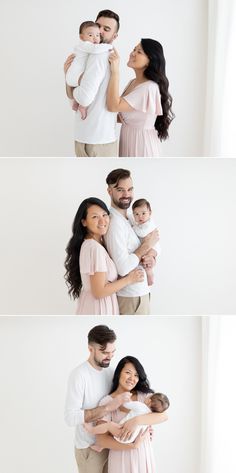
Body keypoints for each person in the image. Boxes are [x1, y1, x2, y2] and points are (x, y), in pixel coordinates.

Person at [64, 325, 132, 473]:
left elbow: (126, 405)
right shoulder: (79, 375)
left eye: (113, 352)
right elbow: (70, 418)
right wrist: (107, 408)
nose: (110, 356)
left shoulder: (112, 372)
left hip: (111, 445)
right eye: (105, 352)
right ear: (90, 349)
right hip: (89, 448)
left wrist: (142, 428)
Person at [64, 197, 144, 315]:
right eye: (95, 217)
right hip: (99, 308)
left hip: (96, 306)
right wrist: (129, 279)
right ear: (84, 222)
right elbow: (99, 291)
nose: (102, 221)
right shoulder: (94, 248)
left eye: (104, 215)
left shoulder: (95, 244)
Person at [93, 356, 168, 473]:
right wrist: (131, 446)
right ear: (118, 374)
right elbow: (101, 440)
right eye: (128, 372)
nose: (132, 378)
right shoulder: (107, 402)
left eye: (136, 375)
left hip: (144, 456)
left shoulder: (145, 396)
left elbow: (163, 416)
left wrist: (136, 421)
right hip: (120, 459)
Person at [64, 10, 120, 157]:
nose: (99, 32)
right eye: (98, 26)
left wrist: (74, 79)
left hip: (100, 139)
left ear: (114, 36)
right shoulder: (86, 54)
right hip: (82, 135)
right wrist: (69, 75)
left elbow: (82, 98)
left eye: (106, 29)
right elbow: (71, 95)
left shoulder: (104, 55)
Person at [104, 169, 159, 315]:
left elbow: (153, 239)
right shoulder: (115, 224)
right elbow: (122, 268)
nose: (126, 195)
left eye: (130, 189)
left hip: (141, 293)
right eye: (120, 190)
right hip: (130, 297)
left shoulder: (131, 217)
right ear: (110, 191)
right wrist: (147, 245)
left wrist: (152, 257)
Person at [106, 39, 174, 157]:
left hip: (142, 145)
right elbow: (122, 115)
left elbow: (113, 106)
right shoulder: (133, 82)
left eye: (139, 52)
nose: (133, 53)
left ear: (150, 60)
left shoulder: (149, 87)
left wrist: (115, 72)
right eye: (134, 49)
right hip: (129, 139)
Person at [84, 392, 169, 444]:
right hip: (133, 438)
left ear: (149, 401)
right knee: (112, 426)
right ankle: (100, 447)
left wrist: (125, 398)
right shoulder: (150, 416)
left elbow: (126, 405)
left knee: (109, 425)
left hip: (123, 433)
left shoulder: (141, 406)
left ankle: (91, 430)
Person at [65, 21, 112, 117]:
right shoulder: (84, 45)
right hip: (74, 75)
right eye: (90, 35)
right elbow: (95, 49)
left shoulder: (90, 47)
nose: (95, 38)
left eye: (98, 35)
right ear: (82, 37)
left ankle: (77, 103)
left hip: (75, 75)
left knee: (87, 85)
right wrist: (110, 46)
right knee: (89, 85)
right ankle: (82, 105)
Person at [132, 198, 161, 286]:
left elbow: (142, 233)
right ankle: (149, 275)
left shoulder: (149, 224)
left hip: (154, 248)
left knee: (147, 260)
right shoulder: (141, 224)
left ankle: (150, 276)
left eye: (143, 213)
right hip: (150, 246)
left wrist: (133, 227)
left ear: (150, 213)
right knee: (146, 261)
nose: (140, 216)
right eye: (136, 214)